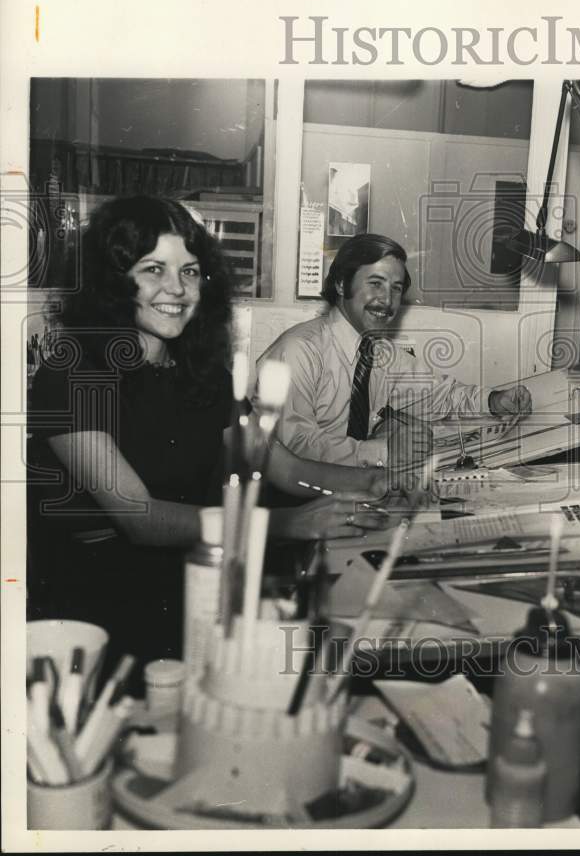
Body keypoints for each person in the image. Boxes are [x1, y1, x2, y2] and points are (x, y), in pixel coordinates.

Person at [26, 196, 388, 668]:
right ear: (112, 279)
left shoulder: (203, 374)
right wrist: (287, 525)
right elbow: (141, 518)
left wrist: (377, 480)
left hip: (189, 587)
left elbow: (281, 467)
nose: (177, 289)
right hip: (97, 615)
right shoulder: (71, 373)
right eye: (153, 269)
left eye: (190, 271)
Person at [259, 233, 533, 470]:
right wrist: (385, 452)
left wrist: (494, 400)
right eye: (375, 283)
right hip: (291, 501)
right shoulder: (298, 351)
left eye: (396, 288)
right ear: (342, 283)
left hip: (351, 488)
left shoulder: (379, 354)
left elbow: (440, 395)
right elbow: (294, 444)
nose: (387, 300)